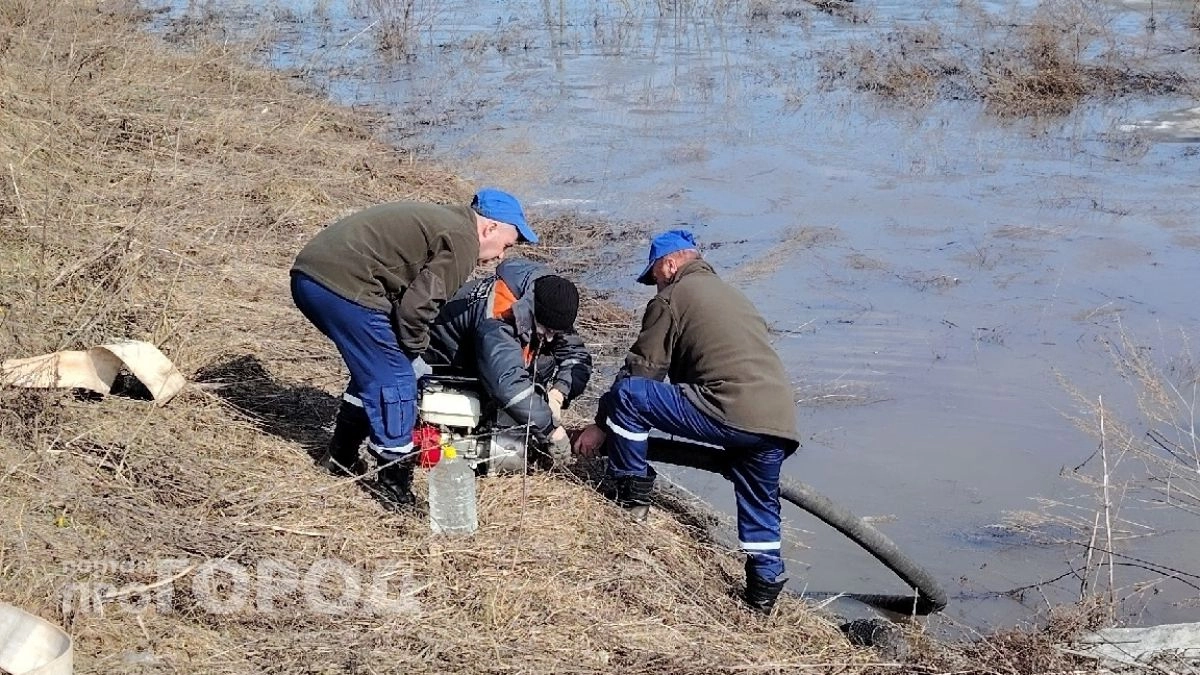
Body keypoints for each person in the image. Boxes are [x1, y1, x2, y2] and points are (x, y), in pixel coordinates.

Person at [573, 229, 800, 615]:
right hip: (776, 424)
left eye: (655, 276)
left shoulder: (673, 296)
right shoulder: (733, 296)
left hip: (728, 408)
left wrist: (600, 425)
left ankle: (631, 497)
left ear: (671, 263)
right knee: (760, 505)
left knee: (627, 396)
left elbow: (642, 372)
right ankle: (762, 599)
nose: (654, 286)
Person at [290, 188, 537, 509]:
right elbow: (416, 310)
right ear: (489, 228)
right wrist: (416, 356)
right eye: (505, 245)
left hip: (315, 275)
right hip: (341, 284)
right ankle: (394, 485)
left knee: (375, 371)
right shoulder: (463, 240)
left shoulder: (448, 222)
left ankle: (340, 456)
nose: (501, 256)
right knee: (397, 378)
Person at [423, 258, 591, 464]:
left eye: (555, 332)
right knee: (502, 399)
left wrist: (558, 394)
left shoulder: (549, 300)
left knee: (545, 361)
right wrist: (550, 430)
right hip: (451, 362)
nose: (549, 337)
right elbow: (507, 384)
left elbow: (577, 357)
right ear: (534, 311)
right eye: (546, 330)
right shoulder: (498, 315)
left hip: (490, 358)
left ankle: (520, 423)